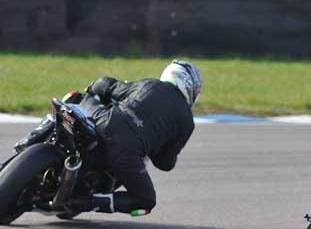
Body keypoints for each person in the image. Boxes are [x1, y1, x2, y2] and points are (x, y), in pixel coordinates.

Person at [14, 60, 201, 216]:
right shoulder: (187, 122)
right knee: (145, 201)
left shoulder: (149, 84)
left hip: (103, 120)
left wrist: (91, 88)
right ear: (190, 87)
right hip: (126, 154)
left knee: (75, 98)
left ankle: (31, 139)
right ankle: (84, 202)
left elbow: (106, 84)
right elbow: (164, 163)